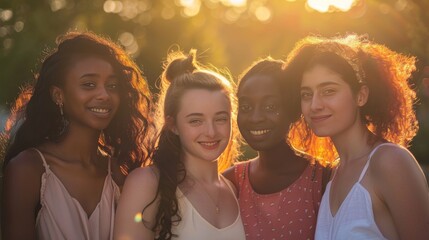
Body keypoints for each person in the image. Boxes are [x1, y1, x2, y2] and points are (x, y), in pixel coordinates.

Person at [1, 31, 154, 240]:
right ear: (58, 95)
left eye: (112, 86)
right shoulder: (28, 169)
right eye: (89, 84)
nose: (104, 95)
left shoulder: (120, 174)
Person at [284, 34, 429, 239]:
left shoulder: (390, 162)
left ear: (360, 96)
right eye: (307, 94)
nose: (314, 105)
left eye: (328, 91)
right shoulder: (331, 175)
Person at [113, 50, 245, 240]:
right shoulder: (147, 183)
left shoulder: (234, 190)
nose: (211, 132)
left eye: (220, 119)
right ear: (173, 125)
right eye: (195, 121)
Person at [223, 57, 331, 240]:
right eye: (246, 106)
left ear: (294, 111)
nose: (256, 117)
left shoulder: (323, 179)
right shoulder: (231, 182)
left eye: (270, 106)